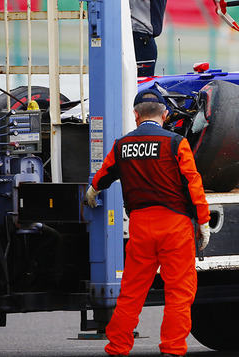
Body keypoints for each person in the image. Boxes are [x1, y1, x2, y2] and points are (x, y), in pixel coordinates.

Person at [86, 87, 211, 357]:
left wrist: (93, 191)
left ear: (135, 115)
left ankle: (118, 347)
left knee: (132, 292)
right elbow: (193, 184)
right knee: (179, 290)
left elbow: (104, 175)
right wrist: (203, 221)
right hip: (175, 227)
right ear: (165, 114)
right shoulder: (176, 143)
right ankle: (173, 349)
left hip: (141, 226)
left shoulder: (122, 145)